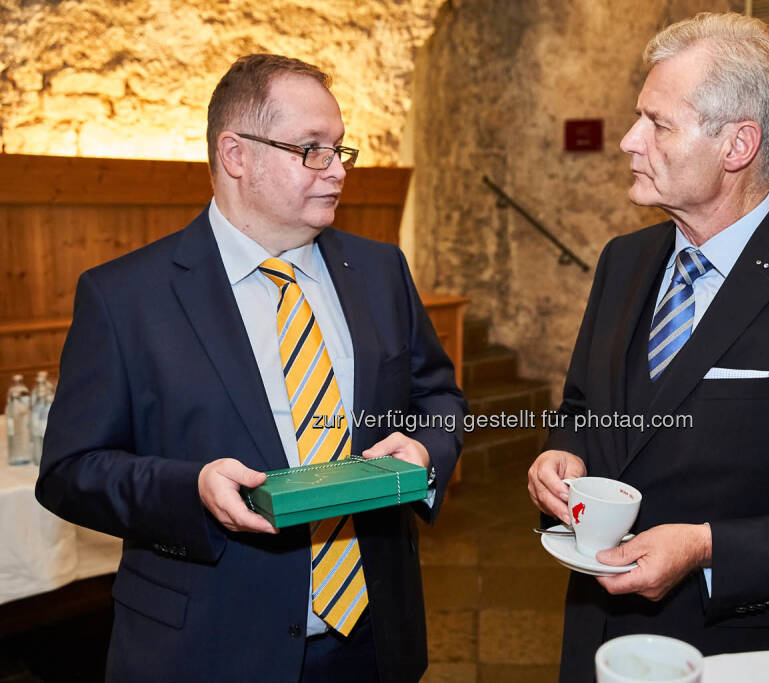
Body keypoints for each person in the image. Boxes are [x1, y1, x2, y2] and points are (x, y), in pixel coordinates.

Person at [36, 53, 466, 683]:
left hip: (375, 638)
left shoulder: (380, 270)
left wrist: (427, 452)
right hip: (209, 647)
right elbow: (71, 471)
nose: (337, 171)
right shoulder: (126, 297)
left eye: (342, 150)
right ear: (235, 155)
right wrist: (192, 490)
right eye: (312, 149)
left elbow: (438, 397)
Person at [527, 13, 769, 681]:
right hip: (598, 637)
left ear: (737, 145)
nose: (628, 140)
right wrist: (564, 448)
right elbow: (588, 402)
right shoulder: (624, 260)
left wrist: (707, 548)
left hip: (744, 649)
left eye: (658, 123)